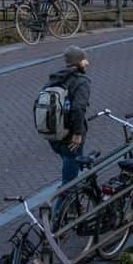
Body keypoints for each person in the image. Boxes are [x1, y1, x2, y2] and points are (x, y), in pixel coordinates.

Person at [46, 45, 91, 186]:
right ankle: (61, 207)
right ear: (77, 62)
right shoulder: (81, 82)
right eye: (84, 60)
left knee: (71, 169)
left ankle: (74, 206)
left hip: (54, 135)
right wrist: (77, 133)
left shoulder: (55, 78)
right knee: (69, 184)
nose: (87, 63)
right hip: (70, 138)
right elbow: (78, 108)